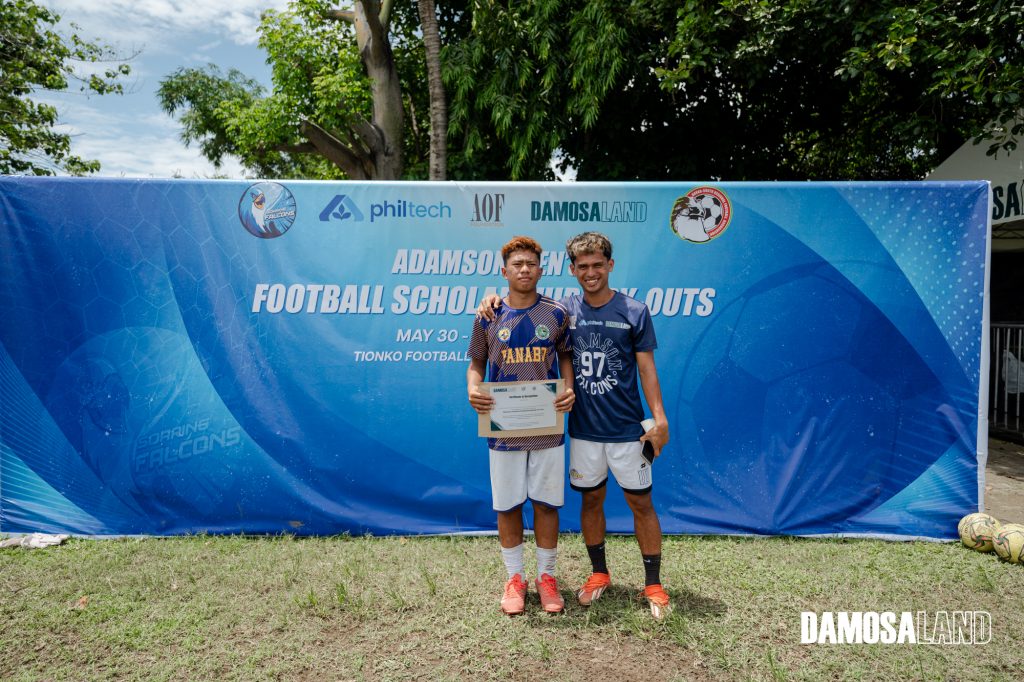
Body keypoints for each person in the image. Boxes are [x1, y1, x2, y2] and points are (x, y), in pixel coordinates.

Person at [478, 231, 672, 619]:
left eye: (598, 264)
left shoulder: (634, 311)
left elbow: (647, 369)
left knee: (641, 502)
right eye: (582, 266)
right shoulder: (562, 311)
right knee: (591, 500)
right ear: (571, 270)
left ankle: (653, 582)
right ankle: (599, 574)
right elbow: (523, 306)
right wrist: (490, 296)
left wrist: (660, 417)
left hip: (627, 429)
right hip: (581, 429)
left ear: (610, 265)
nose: (591, 272)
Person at [467, 235, 576, 616]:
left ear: (541, 269)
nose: (524, 269)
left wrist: (569, 390)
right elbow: (476, 364)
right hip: (503, 425)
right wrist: (472, 389)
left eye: (531, 263)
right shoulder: (488, 315)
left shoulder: (557, 314)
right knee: (508, 504)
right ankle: (515, 578)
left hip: (547, 424)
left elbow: (565, 359)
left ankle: (547, 577)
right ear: (505, 271)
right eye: (517, 264)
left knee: (546, 502)